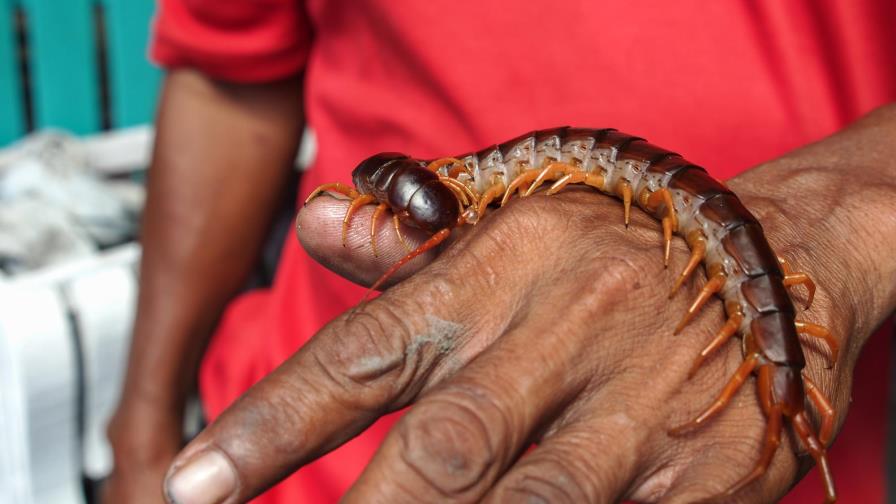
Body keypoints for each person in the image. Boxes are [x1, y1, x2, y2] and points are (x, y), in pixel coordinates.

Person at [103, 1, 896, 503]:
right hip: (297, 457)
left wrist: (836, 209)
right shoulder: (473, 182)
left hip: (734, 466)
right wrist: (141, 431)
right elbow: (229, 71)